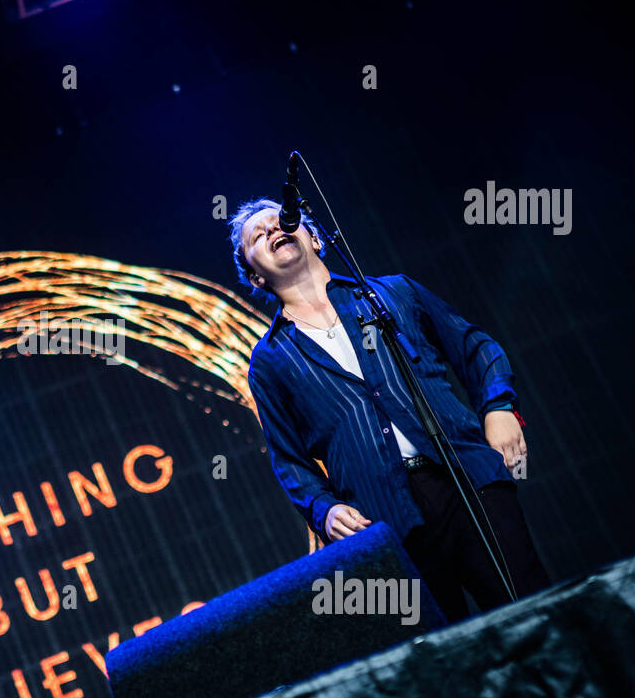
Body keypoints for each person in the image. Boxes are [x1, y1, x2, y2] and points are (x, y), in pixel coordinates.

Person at [231, 197, 550, 622]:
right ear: (254, 274)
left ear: (316, 238)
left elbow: (476, 349)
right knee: (439, 654)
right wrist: (324, 510)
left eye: (282, 221)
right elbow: (290, 461)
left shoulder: (392, 293)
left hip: (467, 478)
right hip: (384, 519)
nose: (274, 230)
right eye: (259, 234)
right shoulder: (270, 360)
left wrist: (499, 408)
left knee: (533, 616)